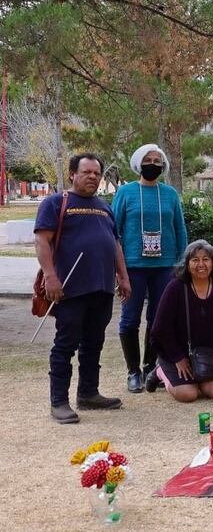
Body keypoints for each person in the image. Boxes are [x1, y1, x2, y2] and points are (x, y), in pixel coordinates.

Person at [36, 153, 132, 424]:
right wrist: (50, 276)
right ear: (72, 174)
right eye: (87, 172)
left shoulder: (104, 206)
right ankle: (59, 402)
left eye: (96, 173)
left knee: (94, 343)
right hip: (69, 289)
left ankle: (89, 393)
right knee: (65, 345)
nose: (93, 177)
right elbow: (42, 241)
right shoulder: (56, 203)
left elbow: (114, 244)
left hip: (101, 287)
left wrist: (123, 277)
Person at [112, 144, 187, 393]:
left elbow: (180, 230)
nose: (153, 164)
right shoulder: (125, 193)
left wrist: (182, 263)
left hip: (164, 266)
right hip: (133, 266)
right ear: (138, 163)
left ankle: (150, 367)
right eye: (148, 159)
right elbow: (114, 232)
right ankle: (132, 371)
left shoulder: (170, 194)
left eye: (157, 160)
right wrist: (117, 267)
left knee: (158, 318)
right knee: (129, 318)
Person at [146, 240, 213, 401]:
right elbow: (160, 328)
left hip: (206, 354)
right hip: (177, 353)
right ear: (187, 264)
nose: (201, 264)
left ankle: (199, 379)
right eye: (195, 260)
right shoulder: (175, 288)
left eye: (206, 259)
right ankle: (160, 371)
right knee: (188, 395)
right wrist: (177, 358)